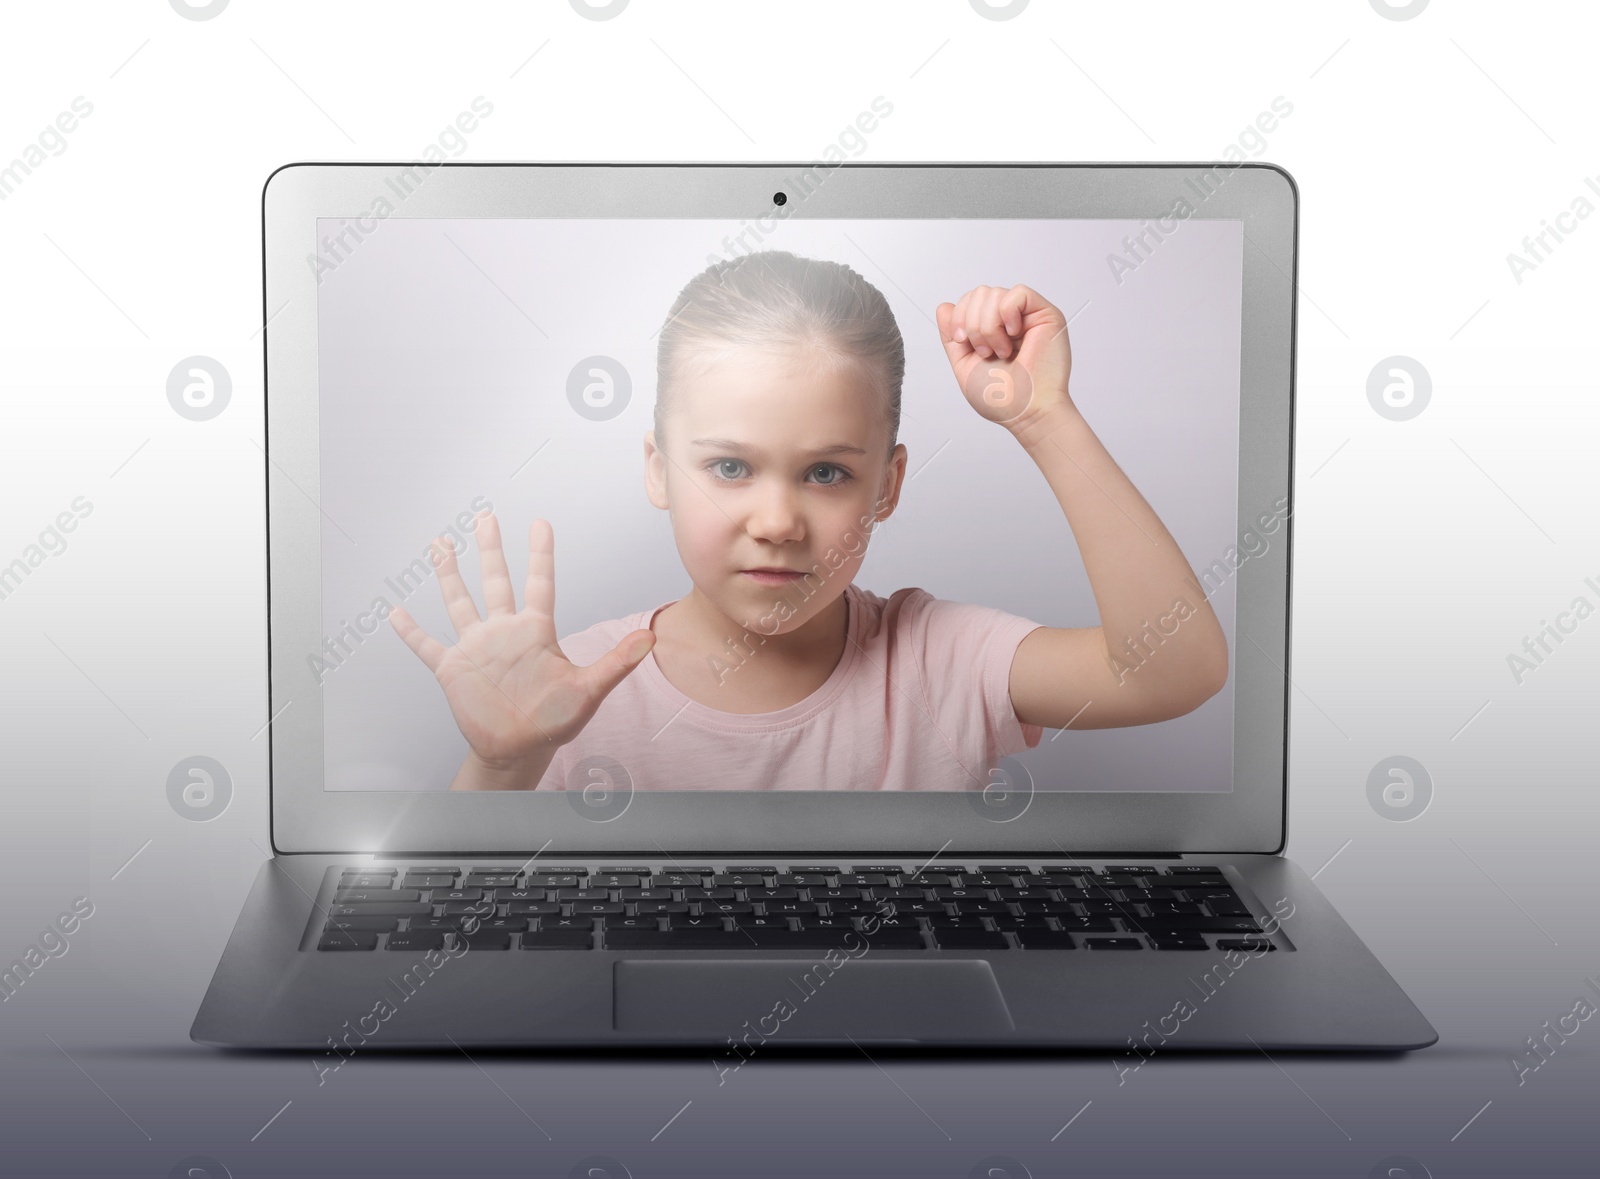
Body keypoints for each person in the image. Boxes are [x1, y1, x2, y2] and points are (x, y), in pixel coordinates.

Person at [389, 250, 1228, 791]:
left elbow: (1170, 671)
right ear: (658, 469)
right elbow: (470, 933)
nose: (779, 519)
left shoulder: (938, 661)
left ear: (888, 486)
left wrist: (1045, 418)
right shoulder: (566, 687)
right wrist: (502, 764)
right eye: (729, 467)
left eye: (827, 471)